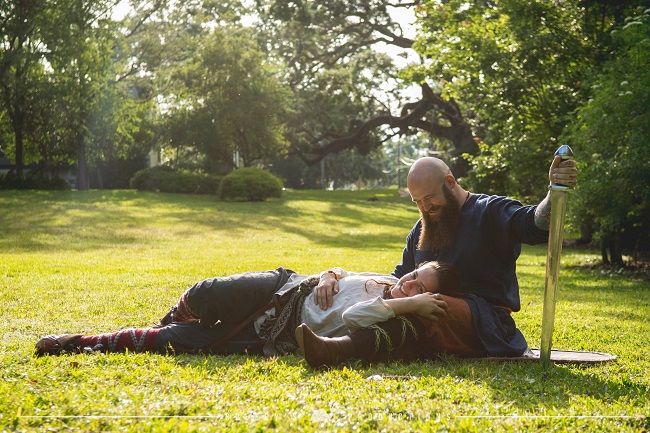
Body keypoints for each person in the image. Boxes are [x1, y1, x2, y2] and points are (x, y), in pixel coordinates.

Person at [295, 152, 579, 368]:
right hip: (423, 312)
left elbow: (534, 222)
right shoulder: (421, 229)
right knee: (402, 305)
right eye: (417, 202)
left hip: (481, 321)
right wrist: (335, 274)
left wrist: (554, 194)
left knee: (428, 307)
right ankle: (335, 344)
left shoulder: (489, 211)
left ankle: (335, 350)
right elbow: (397, 280)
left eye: (429, 198)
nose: (425, 208)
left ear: (450, 182)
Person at [35, 262, 454, 357]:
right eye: (415, 274)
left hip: (271, 333)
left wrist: (404, 305)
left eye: (421, 287)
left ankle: (77, 342)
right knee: (203, 293)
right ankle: (172, 315)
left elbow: (350, 319)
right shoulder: (385, 278)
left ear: (427, 299)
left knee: (173, 344)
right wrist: (330, 273)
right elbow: (337, 269)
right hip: (282, 287)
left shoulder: (393, 312)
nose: (410, 282)